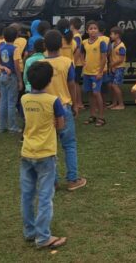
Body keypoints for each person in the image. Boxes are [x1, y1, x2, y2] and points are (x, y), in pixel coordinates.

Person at [19, 61, 67, 250]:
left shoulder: (24, 99)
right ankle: (43, 237)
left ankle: (30, 231)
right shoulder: (53, 100)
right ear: (49, 81)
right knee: (45, 196)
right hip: (46, 153)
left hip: (27, 152)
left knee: (27, 195)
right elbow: (61, 125)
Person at [42, 31, 86, 191]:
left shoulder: (39, 63)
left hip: (46, 109)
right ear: (61, 45)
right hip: (64, 106)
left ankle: (52, 181)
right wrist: (75, 104)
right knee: (69, 145)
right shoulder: (67, 62)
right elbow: (72, 84)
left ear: (45, 45)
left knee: (49, 146)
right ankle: (72, 179)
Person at [82, 21, 108, 127]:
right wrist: (83, 61)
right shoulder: (84, 42)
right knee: (90, 94)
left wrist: (100, 72)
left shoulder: (101, 42)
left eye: (95, 28)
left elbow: (104, 58)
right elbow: (81, 53)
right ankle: (92, 115)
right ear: (87, 31)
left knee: (97, 93)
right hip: (87, 73)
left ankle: (101, 117)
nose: (93, 30)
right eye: (91, 28)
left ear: (98, 30)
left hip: (96, 73)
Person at [0, 26, 24, 134]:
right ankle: (12, 127)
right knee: (11, 102)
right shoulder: (15, 49)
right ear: (16, 36)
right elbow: (17, 66)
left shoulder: (1, 47)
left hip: (2, 75)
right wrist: (20, 80)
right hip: (12, 76)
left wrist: (4, 68)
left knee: (3, 102)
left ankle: (2, 126)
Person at [107, 27, 127, 111]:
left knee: (115, 85)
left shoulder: (121, 46)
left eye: (112, 34)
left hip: (119, 68)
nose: (110, 35)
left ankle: (121, 104)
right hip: (113, 68)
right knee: (112, 86)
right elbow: (110, 55)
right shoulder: (112, 44)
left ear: (117, 35)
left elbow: (121, 59)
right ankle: (114, 103)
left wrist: (113, 65)